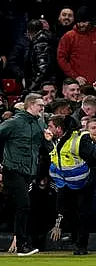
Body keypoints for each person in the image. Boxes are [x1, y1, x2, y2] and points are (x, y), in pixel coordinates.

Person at [46, 114, 96, 255]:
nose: (48, 129)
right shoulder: (55, 140)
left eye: (51, 126)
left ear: (59, 128)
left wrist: (92, 179)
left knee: (83, 213)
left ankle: (81, 245)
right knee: (69, 212)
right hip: (65, 183)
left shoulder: (79, 139)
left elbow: (95, 159)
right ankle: (75, 239)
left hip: (83, 182)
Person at [0, 93, 47, 256]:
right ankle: (21, 244)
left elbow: (44, 146)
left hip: (29, 171)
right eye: (40, 105)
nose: (43, 108)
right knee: (24, 205)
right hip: (12, 169)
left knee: (23, 206)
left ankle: (23, 243)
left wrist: (48, 139)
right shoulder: (13, 123)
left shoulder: (40, 123)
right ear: (30, 105)